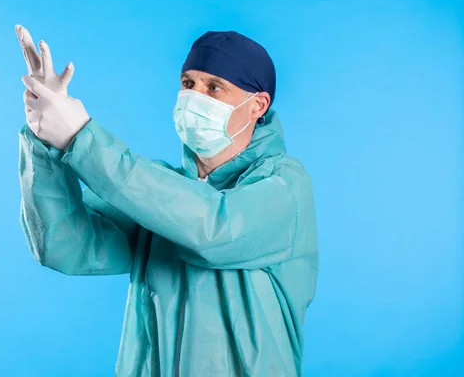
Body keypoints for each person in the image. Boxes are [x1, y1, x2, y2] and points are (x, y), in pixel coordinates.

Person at [16, 24, 319, 377]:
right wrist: (46, 142)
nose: (195, 96)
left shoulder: (284, 186)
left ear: (257, 106)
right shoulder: (159, 194)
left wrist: (82, 139)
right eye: (188, 83)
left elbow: (212, 230)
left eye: (214, 87)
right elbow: (66, 245)